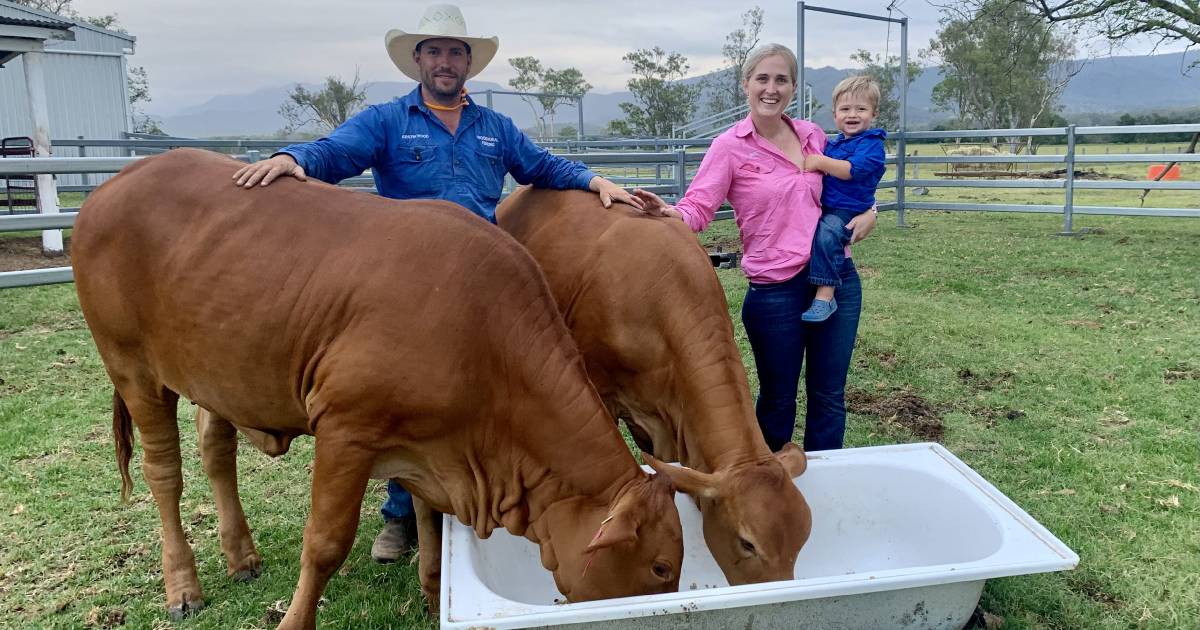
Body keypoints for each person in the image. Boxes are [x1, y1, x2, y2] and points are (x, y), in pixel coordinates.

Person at [231, 4, 642, 563]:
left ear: (468, 63)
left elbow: (540, 165)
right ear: (417, 61)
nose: (445, 62)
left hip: (485, 291)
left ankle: (466, 501)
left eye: (455, 52)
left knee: (479, 398)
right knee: (408, 400)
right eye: (434, 52)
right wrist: (292, 158)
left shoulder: (493, 127)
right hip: (409, 296)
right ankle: (400, 517)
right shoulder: (387, 120)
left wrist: (595, 181)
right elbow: (336, 151)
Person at [632, 43, 876, 454]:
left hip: (835, 277)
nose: (771, 88)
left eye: (781, 79)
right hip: (775, 290)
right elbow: (698, 208)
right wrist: (669, 214)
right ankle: (769, 491)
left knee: (829, 396)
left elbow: (855, 182)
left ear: (793, 87)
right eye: (762, 78)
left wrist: (873, 210)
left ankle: (831, 484)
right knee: (778, 399)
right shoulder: (729, 147)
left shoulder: (813, 135)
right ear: (746, 84)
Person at [799, 76, 886, 323]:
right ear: (835, 114)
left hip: (848, 208)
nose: (853, 114)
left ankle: (825, 296)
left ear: (874, 113)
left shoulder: (872, 145)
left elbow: (851, 170)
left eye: (861, 109)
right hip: (830, 205)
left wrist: (820, 162)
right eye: (845, 109)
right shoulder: (834, 144)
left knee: (828, 234)